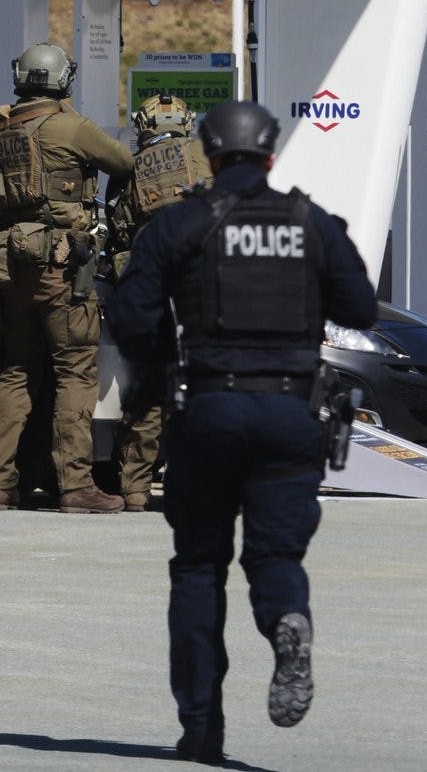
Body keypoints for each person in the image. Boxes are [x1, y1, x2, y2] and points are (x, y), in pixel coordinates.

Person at [106, 100, 377, 763]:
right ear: (271, 156)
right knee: (276, 557)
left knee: (198, 566)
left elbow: (130, 314)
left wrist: (160, 365)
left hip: (210, 411)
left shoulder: (180, 223)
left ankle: (202, 728)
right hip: (291, 416)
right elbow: (360, 309)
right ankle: (287, 620)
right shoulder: (311, 224)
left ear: (209, 153)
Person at [0, 42, 134, 513]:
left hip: (11, 268)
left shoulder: (0, 129)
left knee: (17, 372)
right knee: (74, 374)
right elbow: (124, 163)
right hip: (62, 267)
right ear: (64, 80)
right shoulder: (70, 126)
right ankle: (76, 486)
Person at [106, 93, 212, 512]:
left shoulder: (130, 170)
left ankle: (134, 487)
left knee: (148, 387)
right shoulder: (210, 153)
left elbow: (118, 229)